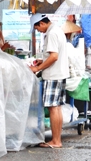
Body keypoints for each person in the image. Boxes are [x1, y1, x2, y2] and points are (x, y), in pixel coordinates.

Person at [29, 14, 69, 149]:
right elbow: (51, 55)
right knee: (56, 107)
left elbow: (54, 56)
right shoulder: (57, 30)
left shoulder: (51, 33)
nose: (39, 31)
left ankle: (56, 141)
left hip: (53, 75)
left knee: (53, 108)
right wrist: (42, 60)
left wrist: (38, 68)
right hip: (60, 73)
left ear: (42, 23)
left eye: (37, 28)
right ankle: (56, 139)